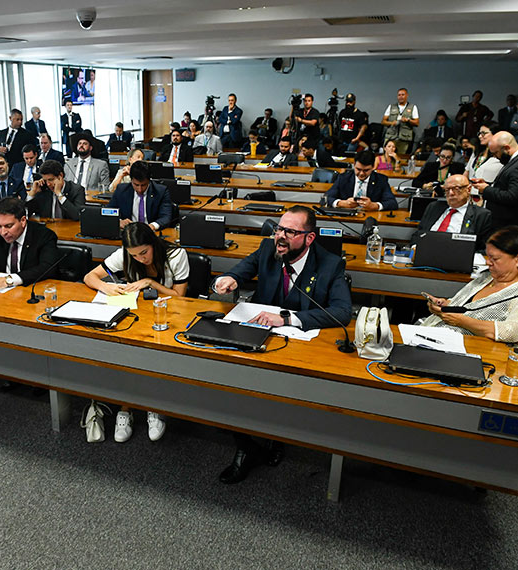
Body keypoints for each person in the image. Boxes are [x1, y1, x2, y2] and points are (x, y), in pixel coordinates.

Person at [212, 205, 352, 483]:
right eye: (279, 229)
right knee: (227, 380)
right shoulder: (268, 250)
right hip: (259, 333)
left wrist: (288, 317)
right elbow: (240, 271)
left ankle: (274, 436)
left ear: (309, 238)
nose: (280, 236)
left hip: (302, 342)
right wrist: (227, 279)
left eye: (290, 231)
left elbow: (342, 312)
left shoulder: (330, 264)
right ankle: (246, 446)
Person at [83, 222, 189, 442]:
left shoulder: (176, 255)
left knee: (151, 356)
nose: (141, 259)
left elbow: (180, 296)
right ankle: (126, 407)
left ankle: (152, 405)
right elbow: (89, 277)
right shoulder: (125, 254)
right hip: (136, 315)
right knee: (125, 353)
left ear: (153, 243)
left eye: (144, 253)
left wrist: (150, 282)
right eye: (135, 255)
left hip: (170, 316)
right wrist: (107, 287)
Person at [420, 226, 518, 343]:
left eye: (494, 259)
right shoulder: (486, 278)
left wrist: (462, 321)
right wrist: (447, 305)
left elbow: (513, 332)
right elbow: (468, 306)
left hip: (468, 349)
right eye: (487, 256)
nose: (487, 262)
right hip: (434, 335)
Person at [410, 174, 493, 250]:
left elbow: (483, 248)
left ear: (468, 189)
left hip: (457, 256)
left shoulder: (481, 215)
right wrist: (415, 247)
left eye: (456, 189)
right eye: (447, 190)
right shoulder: (434, 207)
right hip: (427, 252)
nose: (451, 193)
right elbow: (418, 233)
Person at [472, 132, 518, 230]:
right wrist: (487, 185)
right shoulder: (514, 161)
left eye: (495, 153)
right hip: (501, 220)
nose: (495, 157)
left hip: (509, 224)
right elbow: (506, 186)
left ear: (507, 148)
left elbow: (513, 196)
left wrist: (486, 189)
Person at [107, 161, 172, 231]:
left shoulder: (161, 191)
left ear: (149, 181)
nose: (140, 189)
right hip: (128, 233)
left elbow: (166, 217)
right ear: (131, 180)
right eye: (136, 185)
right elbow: (108, 211)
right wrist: (119, 221)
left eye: (143, 185)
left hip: (151, 233)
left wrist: (152, 226)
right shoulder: (121, 190)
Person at [324, 150, 397, 211]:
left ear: (373, 167)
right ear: (354, 165)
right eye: (358, 169)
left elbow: (392, 203)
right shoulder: (343, 178)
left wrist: (374, 206)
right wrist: (341, 203)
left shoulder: (381, 180)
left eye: (366, 170)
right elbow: (326, 198)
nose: (361, 174)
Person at [382, 88, 419, 155]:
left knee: (400, 157)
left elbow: (417, 123)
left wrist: (408, 120)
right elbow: (383, 121)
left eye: (403, 95)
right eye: (399, 95)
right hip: (391, 137)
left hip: (404, 139)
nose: (401, 97)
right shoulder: (391, 107)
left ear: (407, 95)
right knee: (387, 157)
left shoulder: (413, 107)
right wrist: (391, 123)